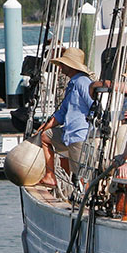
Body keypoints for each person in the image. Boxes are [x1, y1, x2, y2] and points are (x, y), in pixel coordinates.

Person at [35, 47, 93, 187]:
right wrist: (44, 128)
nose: (60, 67)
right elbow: (61, 113)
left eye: (62, 64)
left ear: (70, 66)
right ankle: (50, 176)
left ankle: (83, 200)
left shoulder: (83, 82)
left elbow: (93, 105)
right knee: (45, 137)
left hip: (80, 134)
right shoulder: (72, 84)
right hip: (69, 132)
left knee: (80, 176)